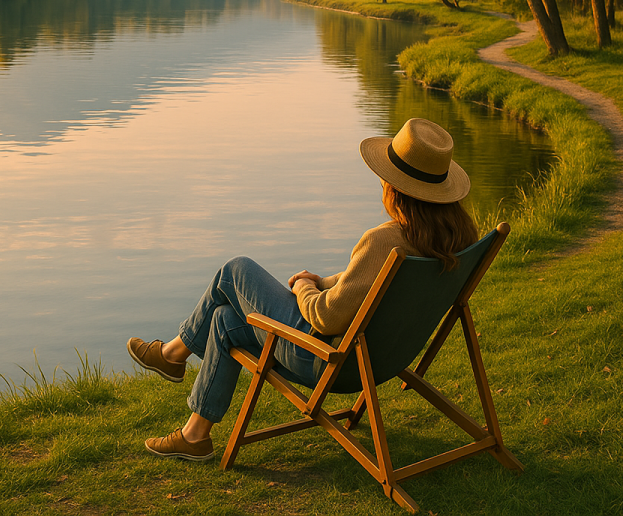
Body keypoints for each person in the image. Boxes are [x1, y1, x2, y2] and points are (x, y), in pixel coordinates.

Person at [127, 117, 478, 461]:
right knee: (223, 320)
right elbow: (374, 281)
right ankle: (194, 435)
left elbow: (325, 317)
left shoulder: (385, 240)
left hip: (326, 359)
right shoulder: (457, 239)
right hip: (386, 356)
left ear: (395, 189)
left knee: (236, 270)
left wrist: (306, 287)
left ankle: (172, 355)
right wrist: (324, 280)